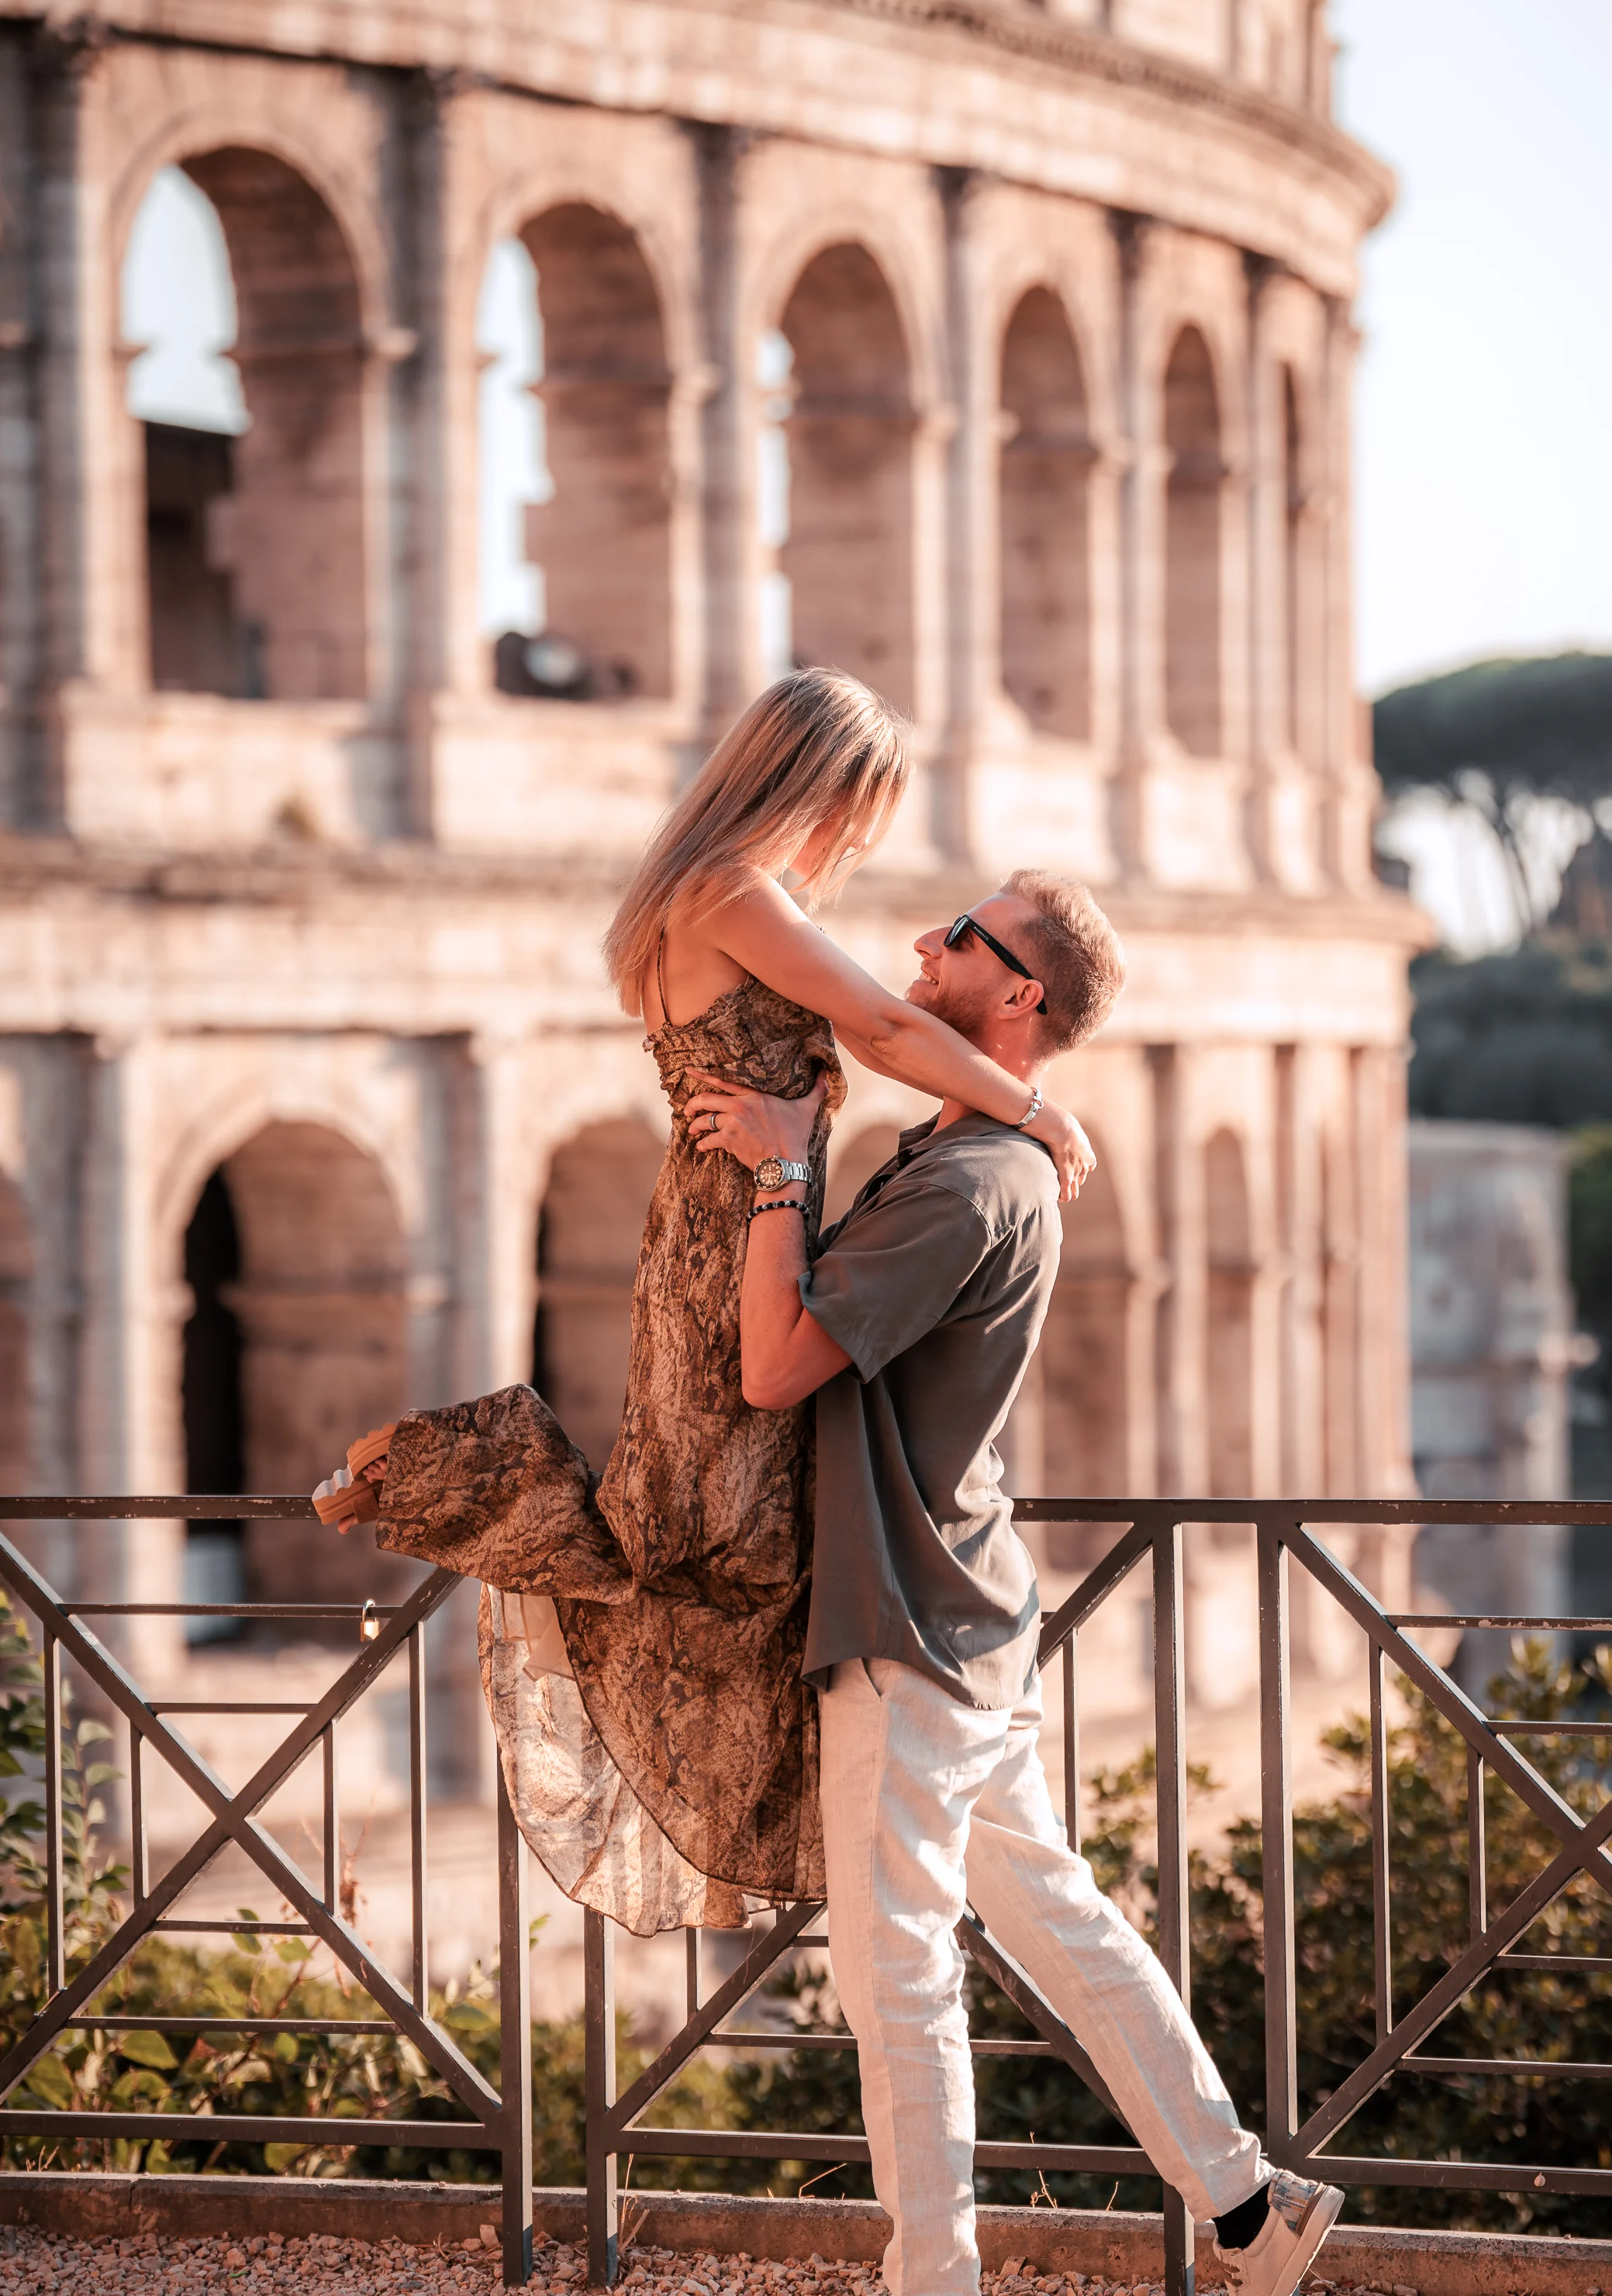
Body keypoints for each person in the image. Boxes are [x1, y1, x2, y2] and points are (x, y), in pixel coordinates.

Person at [685, 870, 1343, 2296]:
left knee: (894, 1968)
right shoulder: (983, 1158)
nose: (917, 947)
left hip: (909, 1615)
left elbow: (779, 1364)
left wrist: (784, 1175)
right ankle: (1251, 2205)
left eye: (954, 938)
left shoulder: (970, 1182)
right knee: (1057, 1922)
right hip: (971, 1602)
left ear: (1019, 996)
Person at [314, 668, 1095, 1936]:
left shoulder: (709, 891)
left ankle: (792, 1788)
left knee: (723, 1530)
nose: (862, 842)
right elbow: (890, 1033)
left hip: (725, 1221)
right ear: (820, 781)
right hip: (739, 1227)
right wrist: (1034, 1106)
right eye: (864, 808)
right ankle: (434, 1470)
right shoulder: (732, 891)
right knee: (701, 1538)